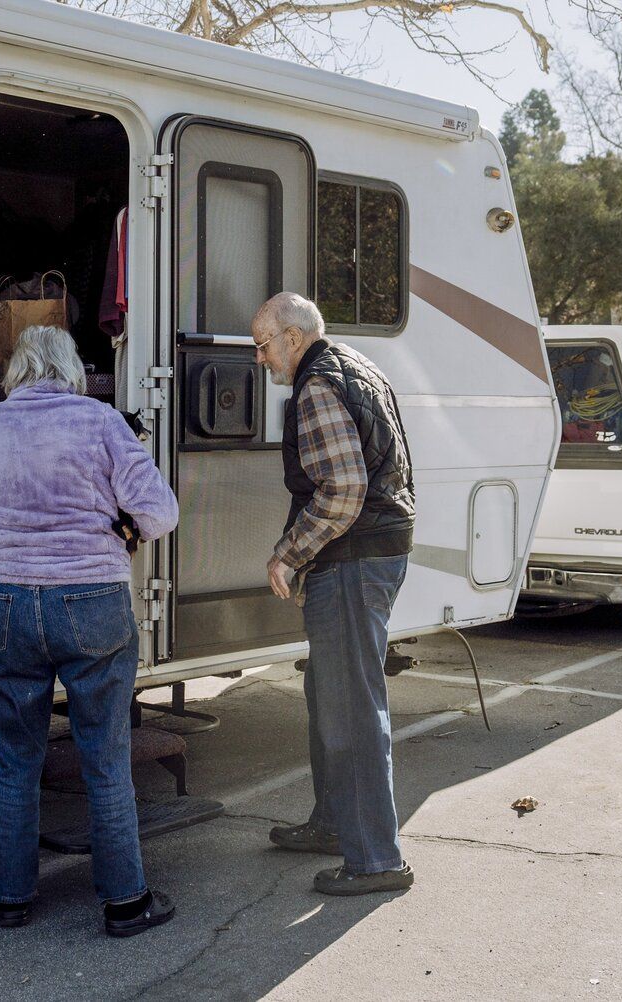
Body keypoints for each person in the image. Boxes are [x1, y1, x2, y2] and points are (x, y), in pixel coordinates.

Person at [0, 325, 180, 935]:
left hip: (2, 603)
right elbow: (160, 514)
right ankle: (126, 903)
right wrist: (122, 530)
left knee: (14, 759)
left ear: (16, 371)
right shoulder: (101, 423)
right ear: (72, 368)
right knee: (104, 758)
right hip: (91, 602)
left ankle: (9, 900)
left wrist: (12, 571)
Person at [252, 292, 417, 897]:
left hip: (353, 560)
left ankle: (376, 859)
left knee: (350, 705)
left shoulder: (318, 386)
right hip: (372, 553)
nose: (262, 359)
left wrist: (290, 553)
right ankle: (333, 824)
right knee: (332, 692)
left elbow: (344, 490)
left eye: (264, 345)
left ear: (294, 337)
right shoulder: (358, 365)